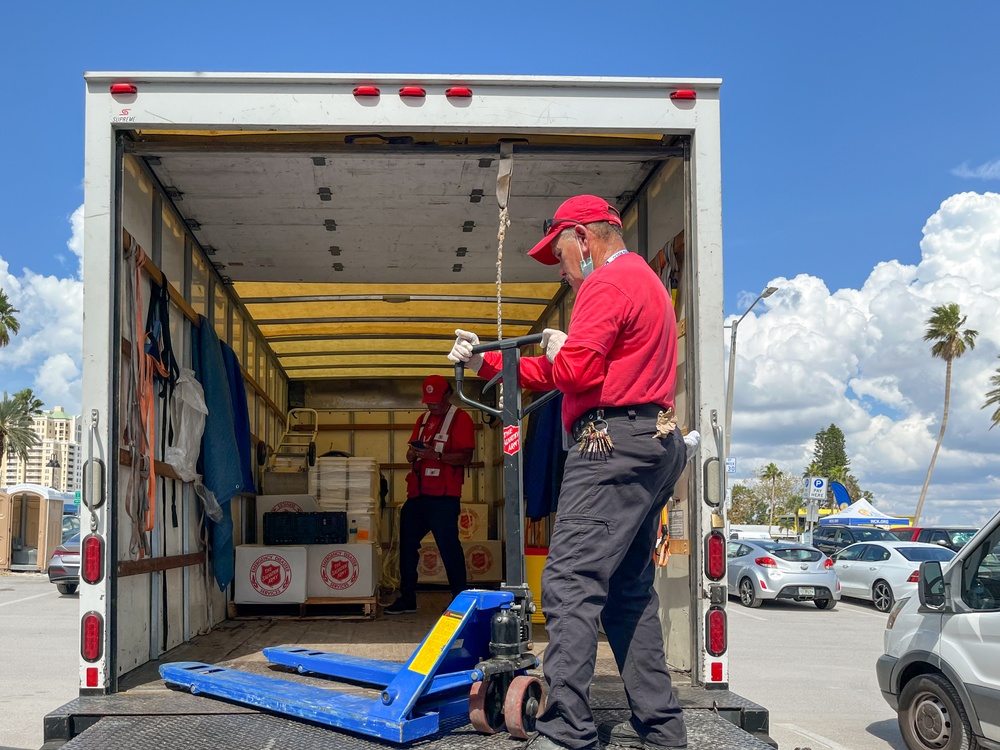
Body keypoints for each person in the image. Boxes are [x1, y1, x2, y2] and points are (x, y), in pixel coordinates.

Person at [449, 195, 688, 749]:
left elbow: (575, 370)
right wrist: (488, 360)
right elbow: (571, 374)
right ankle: (662, 729)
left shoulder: (604, 284)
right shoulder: (645, 280)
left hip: (610, 446)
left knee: (569, 583)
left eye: (559, 253)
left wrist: (564, 349)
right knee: (628, 591)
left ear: (582, 237)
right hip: (653, 441)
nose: (560, 268)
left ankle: (565, 732)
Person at [385, 374, 475, 615]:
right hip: (417, 494)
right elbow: (408, 456)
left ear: (448, 395)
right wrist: (415, 454)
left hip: (444, 498)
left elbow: (467, 457)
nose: (431, 406)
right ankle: (408, 598)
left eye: (436, 401)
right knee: (407, 546)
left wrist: (436, 456)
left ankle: (460, 599)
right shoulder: (422, 420)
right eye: (428, 401)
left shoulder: (461, 418)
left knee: (449, 547)